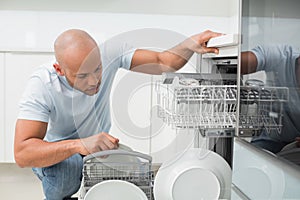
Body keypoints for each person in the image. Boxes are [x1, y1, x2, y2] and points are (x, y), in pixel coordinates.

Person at [14, 29, 222, 200]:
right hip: (57, 154)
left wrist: (187, 44)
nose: (94, 81)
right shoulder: (42, 84)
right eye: (83, 76)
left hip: (99, 147)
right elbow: (23, 154)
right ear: (59, 70)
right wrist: (79, 145)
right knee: (67, 172)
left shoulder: (109, 51)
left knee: (137, 177)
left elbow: (162, 61)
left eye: (97, 69)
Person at [241, 44, 300, 157]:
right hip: (269, 141)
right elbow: (238, 63)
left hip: (296, 148)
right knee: (251, 163)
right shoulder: (280, 57)